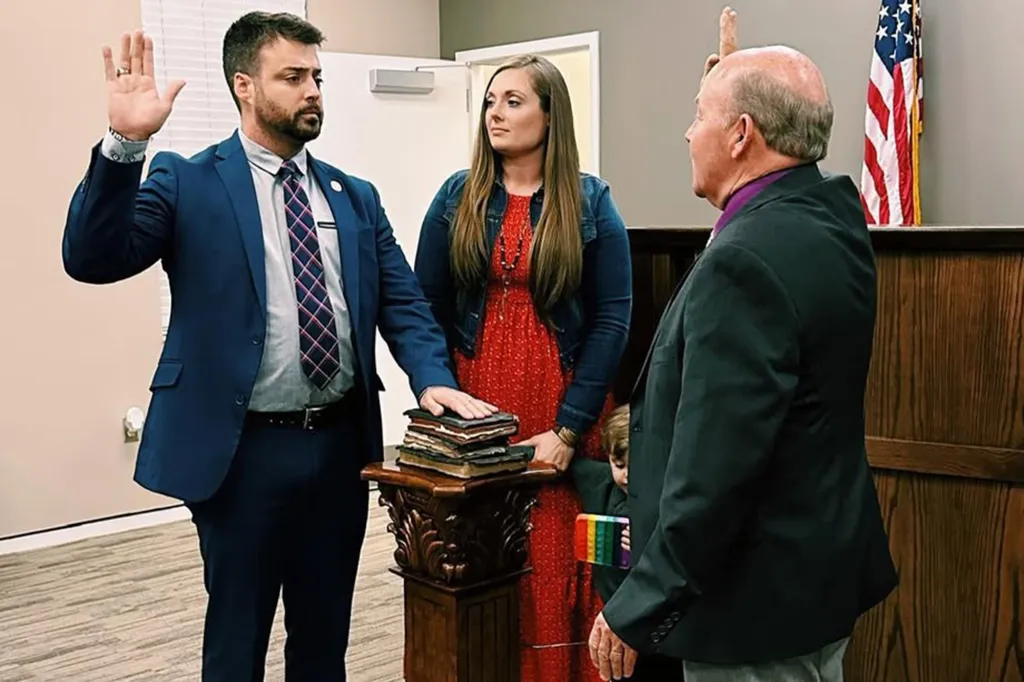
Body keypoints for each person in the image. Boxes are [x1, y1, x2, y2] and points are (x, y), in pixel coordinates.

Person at [61, 12, 495, 682]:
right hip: (241, 455)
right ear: (244, 85)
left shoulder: (353, 196)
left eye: (316, 76)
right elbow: (92, 257)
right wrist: (123, 144)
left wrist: (430, 377)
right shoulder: (187, 181)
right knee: (237, 644)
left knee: (324, 644)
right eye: (293, 77)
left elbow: (403, 304)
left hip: (340, 448)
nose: (313, 90)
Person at [588, 44, 898, 682]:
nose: (686, 131)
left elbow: (717, 469)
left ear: (741, 135)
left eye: (700, 114)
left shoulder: (746, 260)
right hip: (811, 580)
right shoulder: (827, 218)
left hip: (751, 605)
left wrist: (640, 600)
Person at [414, 54, 632, 682]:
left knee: (557, 561)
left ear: (549, 114)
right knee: (481, 563)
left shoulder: (591, 201)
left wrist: (568, 431)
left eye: (513, 101)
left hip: (565, 409)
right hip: (478, 407)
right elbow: (423, 306)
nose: (495, 115)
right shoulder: (457, 195)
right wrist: (443, 401)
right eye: (490, 102)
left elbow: (612, 323)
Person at [570, 405, 678, 681]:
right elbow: (567, 465)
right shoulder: (601, 482)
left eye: (637, 466)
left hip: (661, 627)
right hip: (614, 617)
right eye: (619, 465)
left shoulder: (671, 498)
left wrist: (649, 544)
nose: (627, 476)